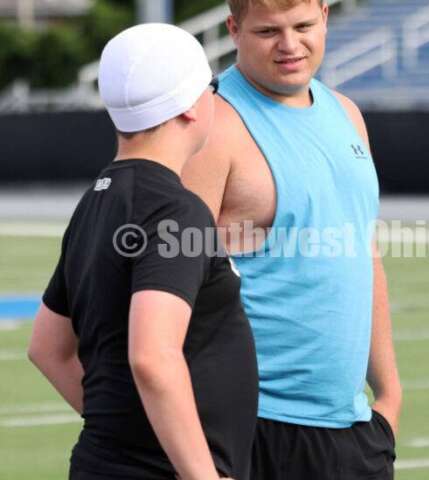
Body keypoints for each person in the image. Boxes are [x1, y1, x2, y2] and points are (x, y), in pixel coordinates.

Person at [27, 23, 258, 480]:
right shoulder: (174, 208)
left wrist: (122, 431)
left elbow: (47, 347)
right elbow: (152, 355)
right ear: (192, 106)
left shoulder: (97, 199)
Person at [181, 1, 401, 478]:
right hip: (253, 426)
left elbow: (364, 254)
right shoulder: (211, 127)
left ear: (325, 15)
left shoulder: (347, 113)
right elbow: (170, 288)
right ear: (234, 30)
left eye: (303, 25)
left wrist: (389, 396)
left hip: (354, 427)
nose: (289, 45)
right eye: (268, 31)